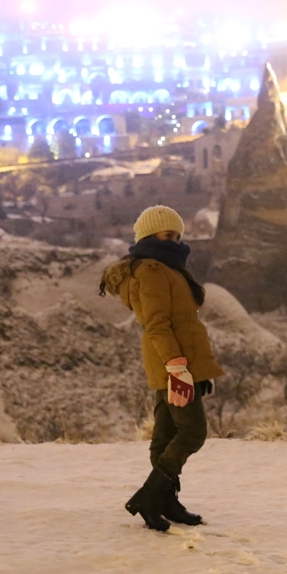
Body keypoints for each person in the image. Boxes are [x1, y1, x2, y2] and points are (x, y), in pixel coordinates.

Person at [100, 205, 224, 532]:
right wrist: (178, 368)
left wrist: (198, 371)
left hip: (178, 362)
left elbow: (184, 325)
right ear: (148, 236)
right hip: (171, 362)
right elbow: (157, 325)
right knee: (192, 433)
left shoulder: (167, 268)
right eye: (167, 234)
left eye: (177, 235)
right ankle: (149, 496)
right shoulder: (153, 270)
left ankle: (166, 500)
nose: (174, 240)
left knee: (166, 435)